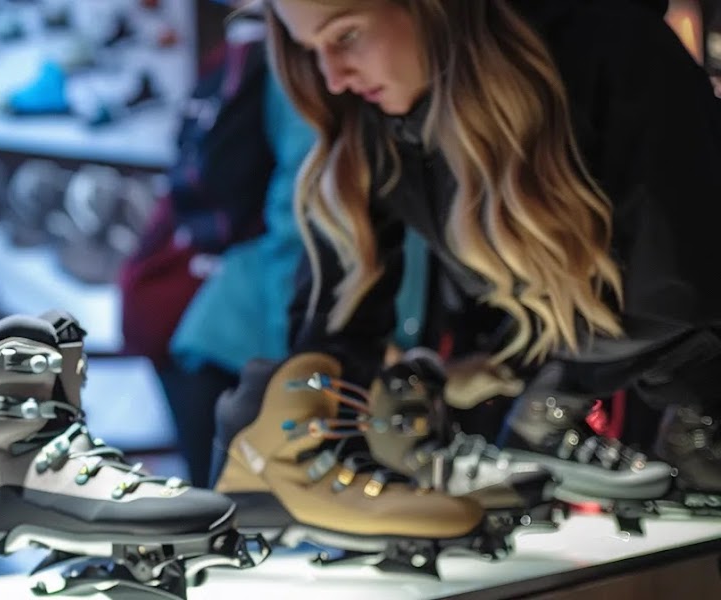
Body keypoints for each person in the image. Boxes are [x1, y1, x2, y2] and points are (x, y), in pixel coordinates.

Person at [263, 0, 721, 491]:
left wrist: (524, 369)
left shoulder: (610, 48)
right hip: (595, 393)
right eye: (309, 49)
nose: (332, 77)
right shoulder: (374, 130)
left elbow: (677, 283)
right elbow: (334, 327)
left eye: (346, 35)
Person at [150, 0, 431, 487]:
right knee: (249, 542)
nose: (334, 74)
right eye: (318, 47)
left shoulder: (400, 85)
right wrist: (315, 359)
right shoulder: (326, 85)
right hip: (246, 349)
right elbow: (301, 228)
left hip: (313, 353)